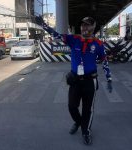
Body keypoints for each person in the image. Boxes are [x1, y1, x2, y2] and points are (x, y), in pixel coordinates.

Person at [35, 16, 113, 145]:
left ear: (93, 27)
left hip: (90, 81)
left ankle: (85, 131)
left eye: (88, 25)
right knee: (72, 106)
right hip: (75, 80)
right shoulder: (73, 39)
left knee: (88, 109)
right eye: (83, 25)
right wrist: (44, 25)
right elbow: (56, 35)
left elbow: (104, 61)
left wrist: (109, 78)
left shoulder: (98, 44)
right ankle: (78, 121)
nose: (85, 27)